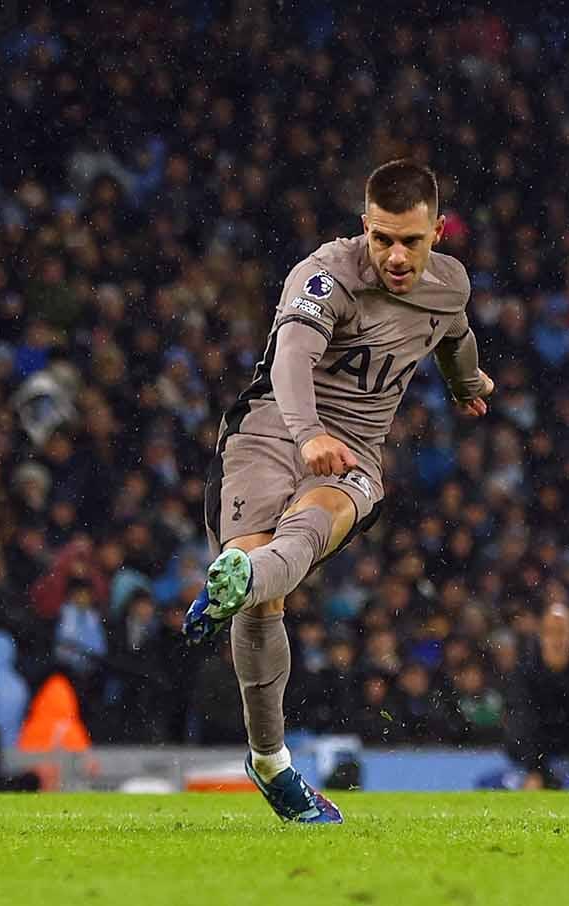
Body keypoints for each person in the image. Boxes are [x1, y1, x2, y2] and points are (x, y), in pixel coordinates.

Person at [183, 160, 495, 823]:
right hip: (269, 435)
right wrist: (305, 435)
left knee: (314, 523)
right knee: (264, 611)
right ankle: (270, 762)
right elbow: (292, 356)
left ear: (436, 232)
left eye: (410, 240)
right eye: (382, 238)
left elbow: (457, 337)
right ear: (365, 227)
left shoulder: (449, 286)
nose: (395, 255)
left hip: (353, 454)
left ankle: (238, 578)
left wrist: (468, 385)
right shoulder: (324, 275)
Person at [505, 605, 569, 789]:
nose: (557, 640)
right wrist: (535, 769)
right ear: (541, 637)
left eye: (562, 632)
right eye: (551, 632)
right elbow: (522, 722)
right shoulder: (526, 670)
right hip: (531, 756)